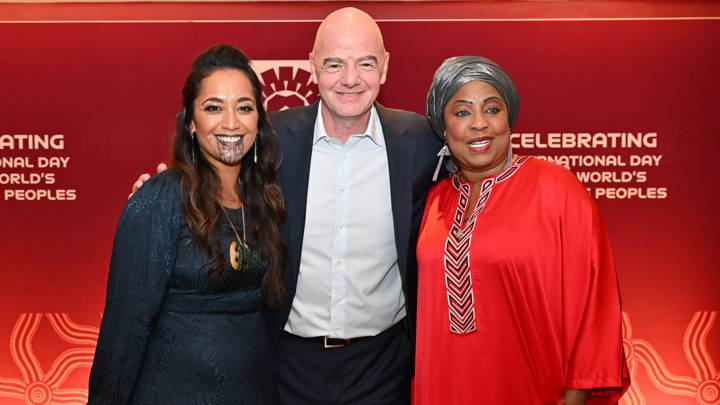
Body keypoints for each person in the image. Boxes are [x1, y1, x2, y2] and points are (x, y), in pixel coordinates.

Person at [131, 8, 441, 405]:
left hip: (384, 367)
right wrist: (164, 192)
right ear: (312, 67)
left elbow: (476, 185)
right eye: (334, 64)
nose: (350, 79)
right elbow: (211, 177)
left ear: (384, 68)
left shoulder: (420, 141)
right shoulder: (268, 138)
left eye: (365, 63)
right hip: (284, 362)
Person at [415, 55, 630, 404]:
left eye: (492, 109)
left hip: (535, 387)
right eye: (462, 112)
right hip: (443, 386)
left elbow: (595, 301)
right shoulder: (434, 199)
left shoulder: (555, 188)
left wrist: (575, 397)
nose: (479, 124)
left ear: (509, 119)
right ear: (443, 127)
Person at [88, 44, 284, 404]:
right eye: (213, 108)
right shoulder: (161, 200)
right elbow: (124, 331)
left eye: (244, 107)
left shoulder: (265, 201)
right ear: (191, 123)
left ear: (259, 120)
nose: (230, 122)